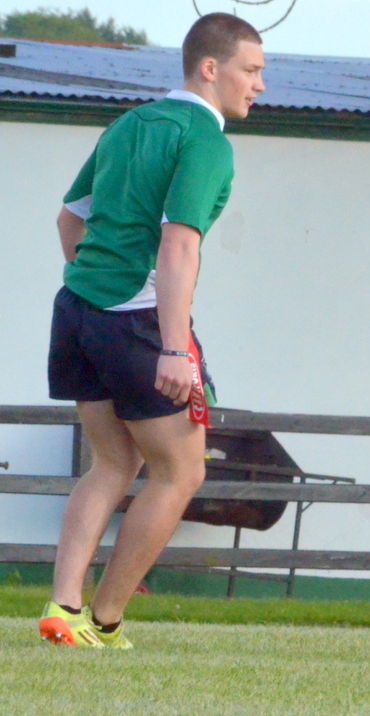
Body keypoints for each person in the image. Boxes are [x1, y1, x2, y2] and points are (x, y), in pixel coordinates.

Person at [38, 13, 265, 650]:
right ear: (210, 68)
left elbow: (69, 221)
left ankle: (62, 607)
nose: (259, 84)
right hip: (138, 322)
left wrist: (96, 290)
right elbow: (178, 244)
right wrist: (171, 347)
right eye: (251, 70)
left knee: (113, 461)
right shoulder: (205, 140)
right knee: (181, 473)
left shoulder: (129, 124)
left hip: (76, 310)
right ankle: (104, 621)